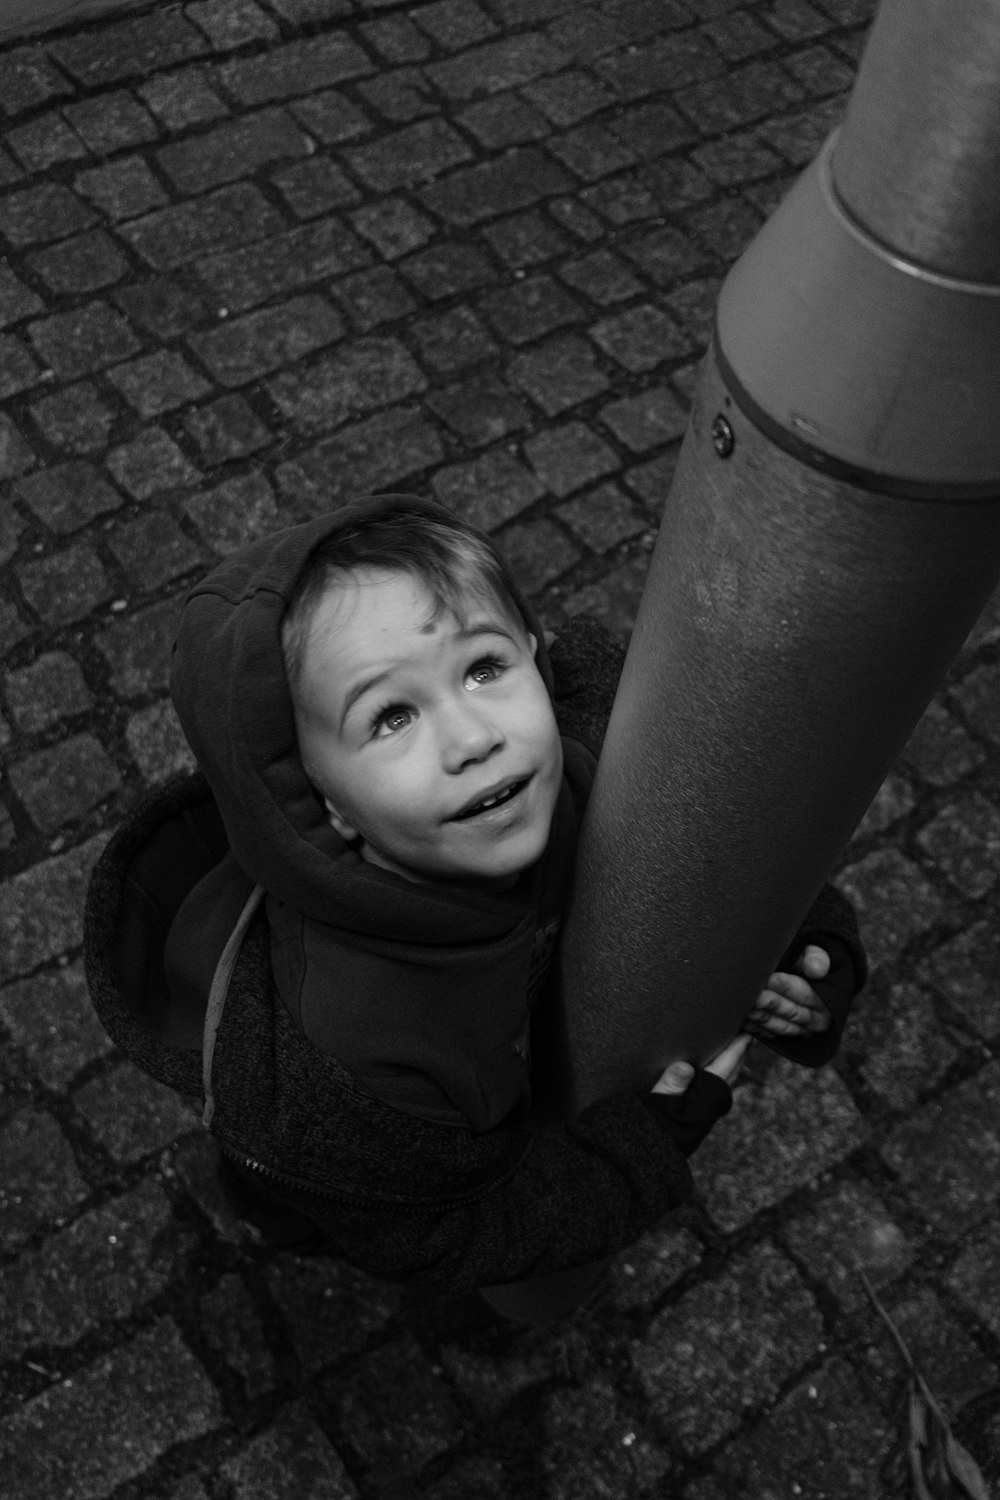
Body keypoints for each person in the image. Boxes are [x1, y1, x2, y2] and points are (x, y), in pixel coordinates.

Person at [84, 494, 866, 1300]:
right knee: (304, 1204)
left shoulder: (606, 748)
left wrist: (810, 946)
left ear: (535, 654)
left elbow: (729, 841)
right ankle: (260, 1213)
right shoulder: (346, 1059)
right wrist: (634, 1152)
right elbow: (448, 1232)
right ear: (319, 803)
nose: (473, 739)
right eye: (390, 717)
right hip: (358, 1161)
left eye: (485, 668)